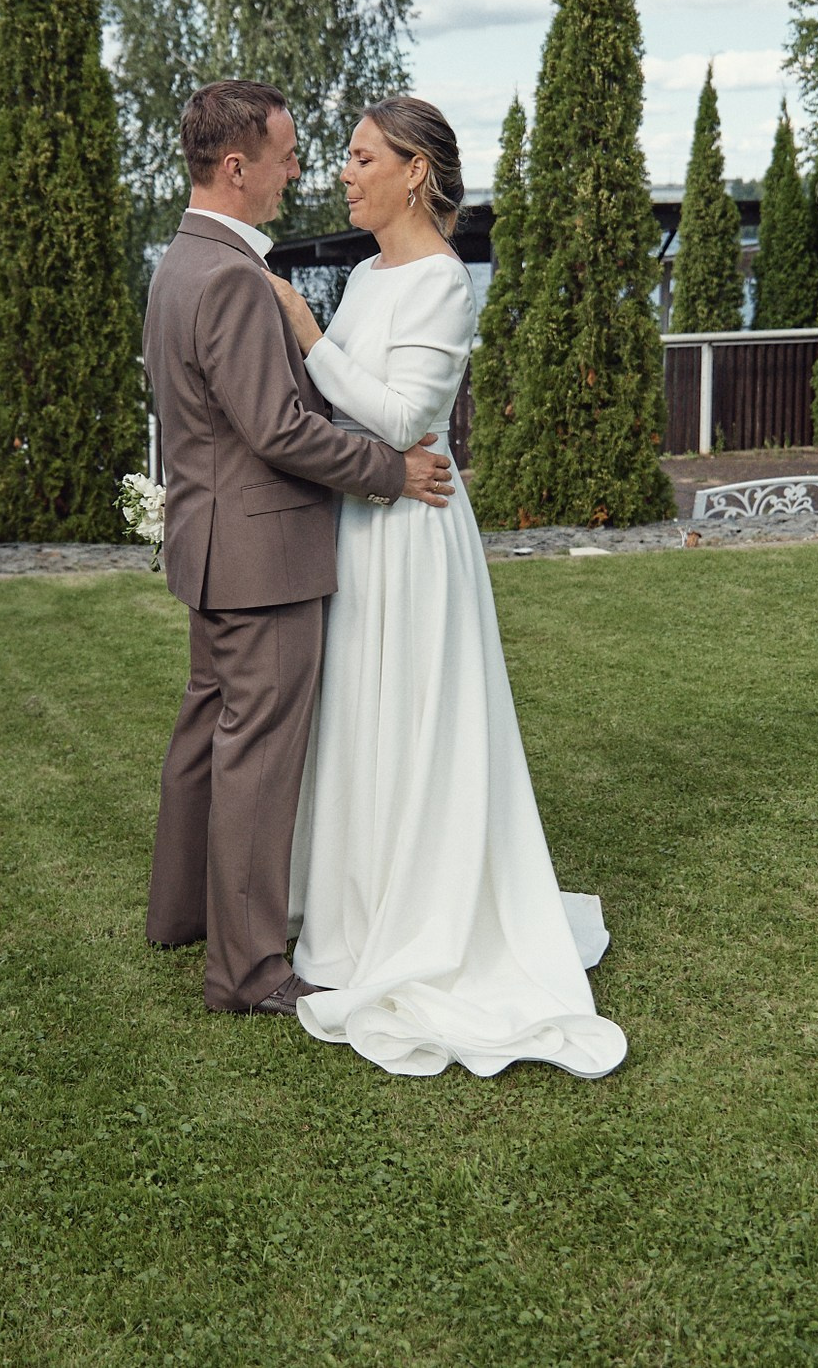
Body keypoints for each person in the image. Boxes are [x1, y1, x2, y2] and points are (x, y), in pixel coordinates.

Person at [263, 96, 630, 1078]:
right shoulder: (371, 274)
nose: (343, 173)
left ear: (413, 170)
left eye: (360, 157)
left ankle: (422, 918)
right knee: (359, 717)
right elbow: (349, 415)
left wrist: (301, 323)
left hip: (411, 534)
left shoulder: (438, 282)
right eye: (343, 157)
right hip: (363, 515)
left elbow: (398, 413)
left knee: (411, 717)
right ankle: (353, 905)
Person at [142, 80, 457, 1015]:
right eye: (284, 154)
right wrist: (389, 473)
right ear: (236, 166)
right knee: (256, 753)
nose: (298, 171)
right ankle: (245, 970)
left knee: (207, 730)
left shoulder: (178, 263)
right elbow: (278, 431)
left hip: (207, 543)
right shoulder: (235, 278)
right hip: (263, 554)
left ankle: (180, 913)